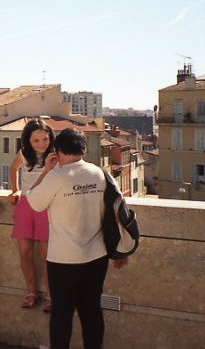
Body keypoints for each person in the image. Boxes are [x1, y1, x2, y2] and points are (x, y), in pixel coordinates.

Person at [27, 128, 128, 349]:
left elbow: (34, 202)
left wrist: (46, 170)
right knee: (91, 312)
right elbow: (116, 211)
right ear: (83, 149)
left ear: (59, 151)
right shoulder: (99, 173)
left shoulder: (57, 176)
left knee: (62, 315)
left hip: (63, 259)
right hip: (96, 255)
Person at [7, 118, 54, 311]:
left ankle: (51, 296)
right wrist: (15, 189)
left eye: (45, 139)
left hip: (46, 206)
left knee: (46, 255)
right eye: (37, 140)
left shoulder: (55, 155)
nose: (42, 144)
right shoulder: (24, 154)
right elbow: (12, 168)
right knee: (25, 253)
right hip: (26, 204)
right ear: (28, 141)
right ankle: (31, 292)